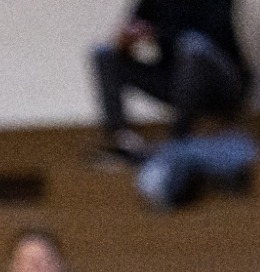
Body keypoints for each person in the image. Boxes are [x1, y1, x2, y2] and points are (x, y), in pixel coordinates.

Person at [91, 0, 251, 164]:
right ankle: (121, 139)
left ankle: (178, 139)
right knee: (103, 53)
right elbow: (126, 37)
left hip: (222, 83)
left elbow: (212, 37)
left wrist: (156, 32)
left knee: (193, 46)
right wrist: (126, 39)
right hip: (176, 81)